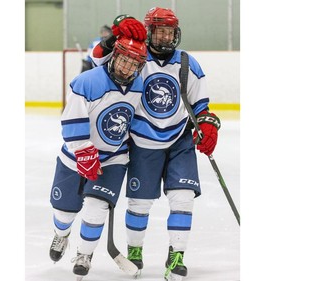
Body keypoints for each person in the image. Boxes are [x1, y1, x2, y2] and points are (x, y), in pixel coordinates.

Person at [91, 8, 221, 280]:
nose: (166, 36)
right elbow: (97, 60)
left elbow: (201, 104)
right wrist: (115, 34)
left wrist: (208, 123)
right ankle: (135, 252)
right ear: (149, 32)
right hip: (142, 141)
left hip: (179, 140)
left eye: (170, 31)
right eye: (160, 30)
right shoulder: (134, 55)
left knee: (183, 199)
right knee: (139, 203)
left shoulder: (187, 62)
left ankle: (177, 257)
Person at [48, 35, 147, 279]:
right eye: (124, 60)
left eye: (134, 64)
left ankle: (84, 254)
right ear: (114, 57)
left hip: (114, 158)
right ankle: (61, 234)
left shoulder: (139, 85)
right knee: (64, 212)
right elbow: (71, 119)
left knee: (96, 208)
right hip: (74, 157)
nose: (128, 68)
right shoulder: (87, 81)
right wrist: (83, 151)